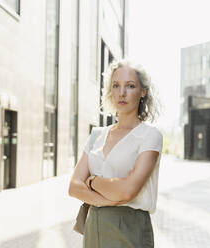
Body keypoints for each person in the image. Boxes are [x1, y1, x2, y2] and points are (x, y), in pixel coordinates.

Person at [68, 59, 163, 248]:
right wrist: (108, 200)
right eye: (116, 85)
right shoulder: (97, 135)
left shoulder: (149, 136)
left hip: (130, 227)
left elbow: (128, 190)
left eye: (130, 86)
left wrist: (92, 181)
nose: (122, 93)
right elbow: (73, 187)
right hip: (94, 225)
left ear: (143, 91)